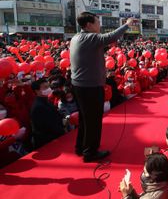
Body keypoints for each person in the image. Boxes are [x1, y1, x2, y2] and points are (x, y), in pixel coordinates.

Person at [70, 11, 133, 162]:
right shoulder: (91, 38)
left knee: (85, 120)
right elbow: (110, 37)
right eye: (97, 22)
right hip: (90, 87)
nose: (100, 25)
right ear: (89, 25)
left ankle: (81, 147)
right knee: (93, 120)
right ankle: (90, 152)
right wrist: (127, 25)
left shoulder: (76, 37)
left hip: (79, 85)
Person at [30, 78, 65, 149]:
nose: (48, 89)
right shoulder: (38, 107)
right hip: (48, 142)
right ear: (37, 91)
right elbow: (47, 125)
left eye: (48, 86)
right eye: (45, 87)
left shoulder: (46, 100)